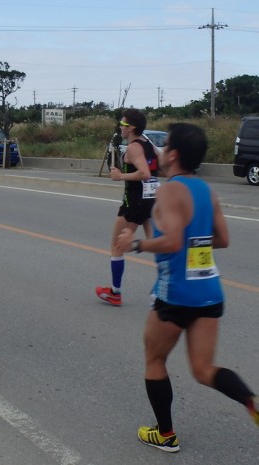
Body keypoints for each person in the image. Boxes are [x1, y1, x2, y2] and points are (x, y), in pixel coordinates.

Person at [117, 123, 259, 453]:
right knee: (204, 369)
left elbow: (173, 240)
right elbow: (222, 239)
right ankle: (249, 399)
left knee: (154, 359)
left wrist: (136, 244)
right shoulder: (206, 191)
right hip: (208, 292)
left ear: (175, 155)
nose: (162, 151)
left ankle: (165, 434)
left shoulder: (170, 190)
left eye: (165, 146)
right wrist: (192, 243)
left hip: (175, 293)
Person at [95, 109, 159, 306]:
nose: (120, 128)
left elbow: (145, 173)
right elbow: (158, 166)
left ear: (131, 128)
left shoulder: (133, 148)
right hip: (150, 199)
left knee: (117, 245)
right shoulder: (147, 143)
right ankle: (162, 289)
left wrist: (120, 176)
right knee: (159, 245)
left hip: (134, 201)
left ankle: (115, 292)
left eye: (122, 125)